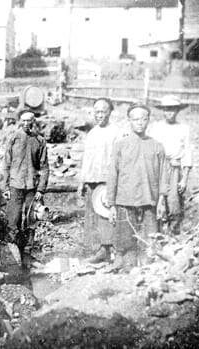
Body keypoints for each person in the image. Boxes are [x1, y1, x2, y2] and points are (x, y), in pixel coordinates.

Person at [106, 104, 167, 271]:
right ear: (129, 121)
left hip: (149, 199)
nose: (140, 123)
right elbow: (113, 175)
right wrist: (111, 204)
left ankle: (147, 267)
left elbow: (163, 174)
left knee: (151, 240)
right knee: (125, 241)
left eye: (143, 119)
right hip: (125, 200)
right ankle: (125, 265)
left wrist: (161, 199)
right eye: (135, 119)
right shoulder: (120, 146)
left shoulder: (157, 146)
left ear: (148, 120)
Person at [2, 110, 49, 268]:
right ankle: (13, 255)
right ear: (19, 121)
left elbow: (44, 167)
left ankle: (27, 255)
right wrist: (5, 186)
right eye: (23, 120)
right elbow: (6, 164)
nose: (27, 123)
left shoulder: (40, 141)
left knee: (30, 221)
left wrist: (41, 189)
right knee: (13, 219)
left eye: (30, 120)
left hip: (32, 187)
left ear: (34, 121)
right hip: (15, 185)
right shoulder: (13, 138)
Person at [78, 98, 121, 263]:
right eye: (97, 111)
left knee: (107, 215)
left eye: (103, 111)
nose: (100, 115)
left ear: (110, 112)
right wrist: (82, 182)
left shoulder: (117, 132)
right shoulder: (92, 133)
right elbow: (86, 160)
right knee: (93, 217)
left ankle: (112, 249)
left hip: (107, 181)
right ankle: (99, 250)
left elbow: (119, 160)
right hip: (91, 180)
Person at [148, 95, 192, 235]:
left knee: (174, 200)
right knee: (156, 198)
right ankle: (157, 233)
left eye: (173, 110)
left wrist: (184, 178)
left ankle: (173, 234)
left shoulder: (183, 128)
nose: (170, 113)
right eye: (167, 110)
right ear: (163, 111)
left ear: (178, 111)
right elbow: (151, 149)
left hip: (174, 168)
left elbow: (187, 153)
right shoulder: (156, 127)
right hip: (158, 167)